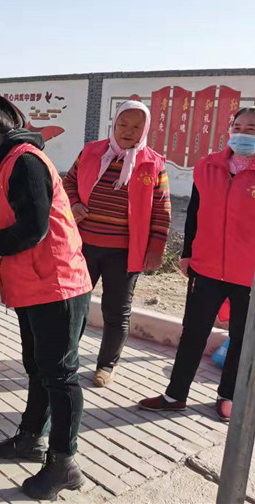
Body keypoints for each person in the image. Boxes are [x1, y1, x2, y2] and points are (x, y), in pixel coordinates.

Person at [0, 96, 93, 501]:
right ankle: (32, 437)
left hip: (56, 284)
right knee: (38, 367)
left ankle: (64, 462)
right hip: (35, 284)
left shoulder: (25, 161)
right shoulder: (8, 162)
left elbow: (34, 227)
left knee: (61, 374)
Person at [138, 107, 255, 422]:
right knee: (193, 333)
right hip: (206, 268)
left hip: (252, 275)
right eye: (237, 126)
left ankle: (228, 396)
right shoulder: (208, 166)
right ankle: (174, 395)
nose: (242, 133)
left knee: (241, 337)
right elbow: (195, 213)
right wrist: (187, 253)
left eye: (251, 129)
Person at [63, 100, 171, 387]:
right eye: (123, 124)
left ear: (145, 130)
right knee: (74, 306)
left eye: (136, 127)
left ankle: (106, 365)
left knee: (117, 312)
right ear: (114, 123)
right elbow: (68, 182)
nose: (128, 131)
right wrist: (74, 203)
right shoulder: (91, 152)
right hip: (83, 247)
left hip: (124, 253)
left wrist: (156, 249)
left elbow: (162, 210)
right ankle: (66, 359)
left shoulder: (153, 163)